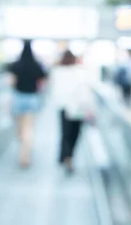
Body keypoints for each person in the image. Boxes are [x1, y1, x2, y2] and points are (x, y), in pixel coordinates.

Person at [50, 50, 96, 174]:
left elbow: (56, 91)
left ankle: (65, 156)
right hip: (77, 108)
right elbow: (85, 91)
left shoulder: (57, 72)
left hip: (63, 107)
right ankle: (69, 156)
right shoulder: (79, 72)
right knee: (74, 134)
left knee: (65, 134)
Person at [7, 40, 47, 168]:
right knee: (28, 128)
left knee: (20, 128)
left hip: (19, 97)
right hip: (32, 98)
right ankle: (25, 156)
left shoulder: (16, 65)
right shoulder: (36, 65)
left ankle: (23, 152)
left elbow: (11, 82)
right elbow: (44, 79)